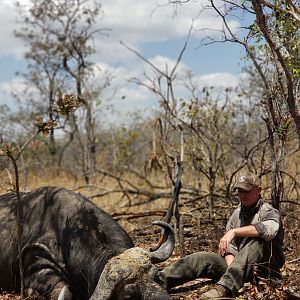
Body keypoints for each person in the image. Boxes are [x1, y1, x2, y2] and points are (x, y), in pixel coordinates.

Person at [159, 172, 285, 299]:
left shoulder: (269, 211)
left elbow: (269, 230)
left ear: (259, 190)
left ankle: (224, 288)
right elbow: (230, 247)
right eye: (240, 191)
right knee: (203, 258)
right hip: (239, 269)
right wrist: (232, 265)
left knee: (257, 241)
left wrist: (234, 231)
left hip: (264, 269)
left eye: (246, 191)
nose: (242, 195)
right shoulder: (237, 214)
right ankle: (160, 280)